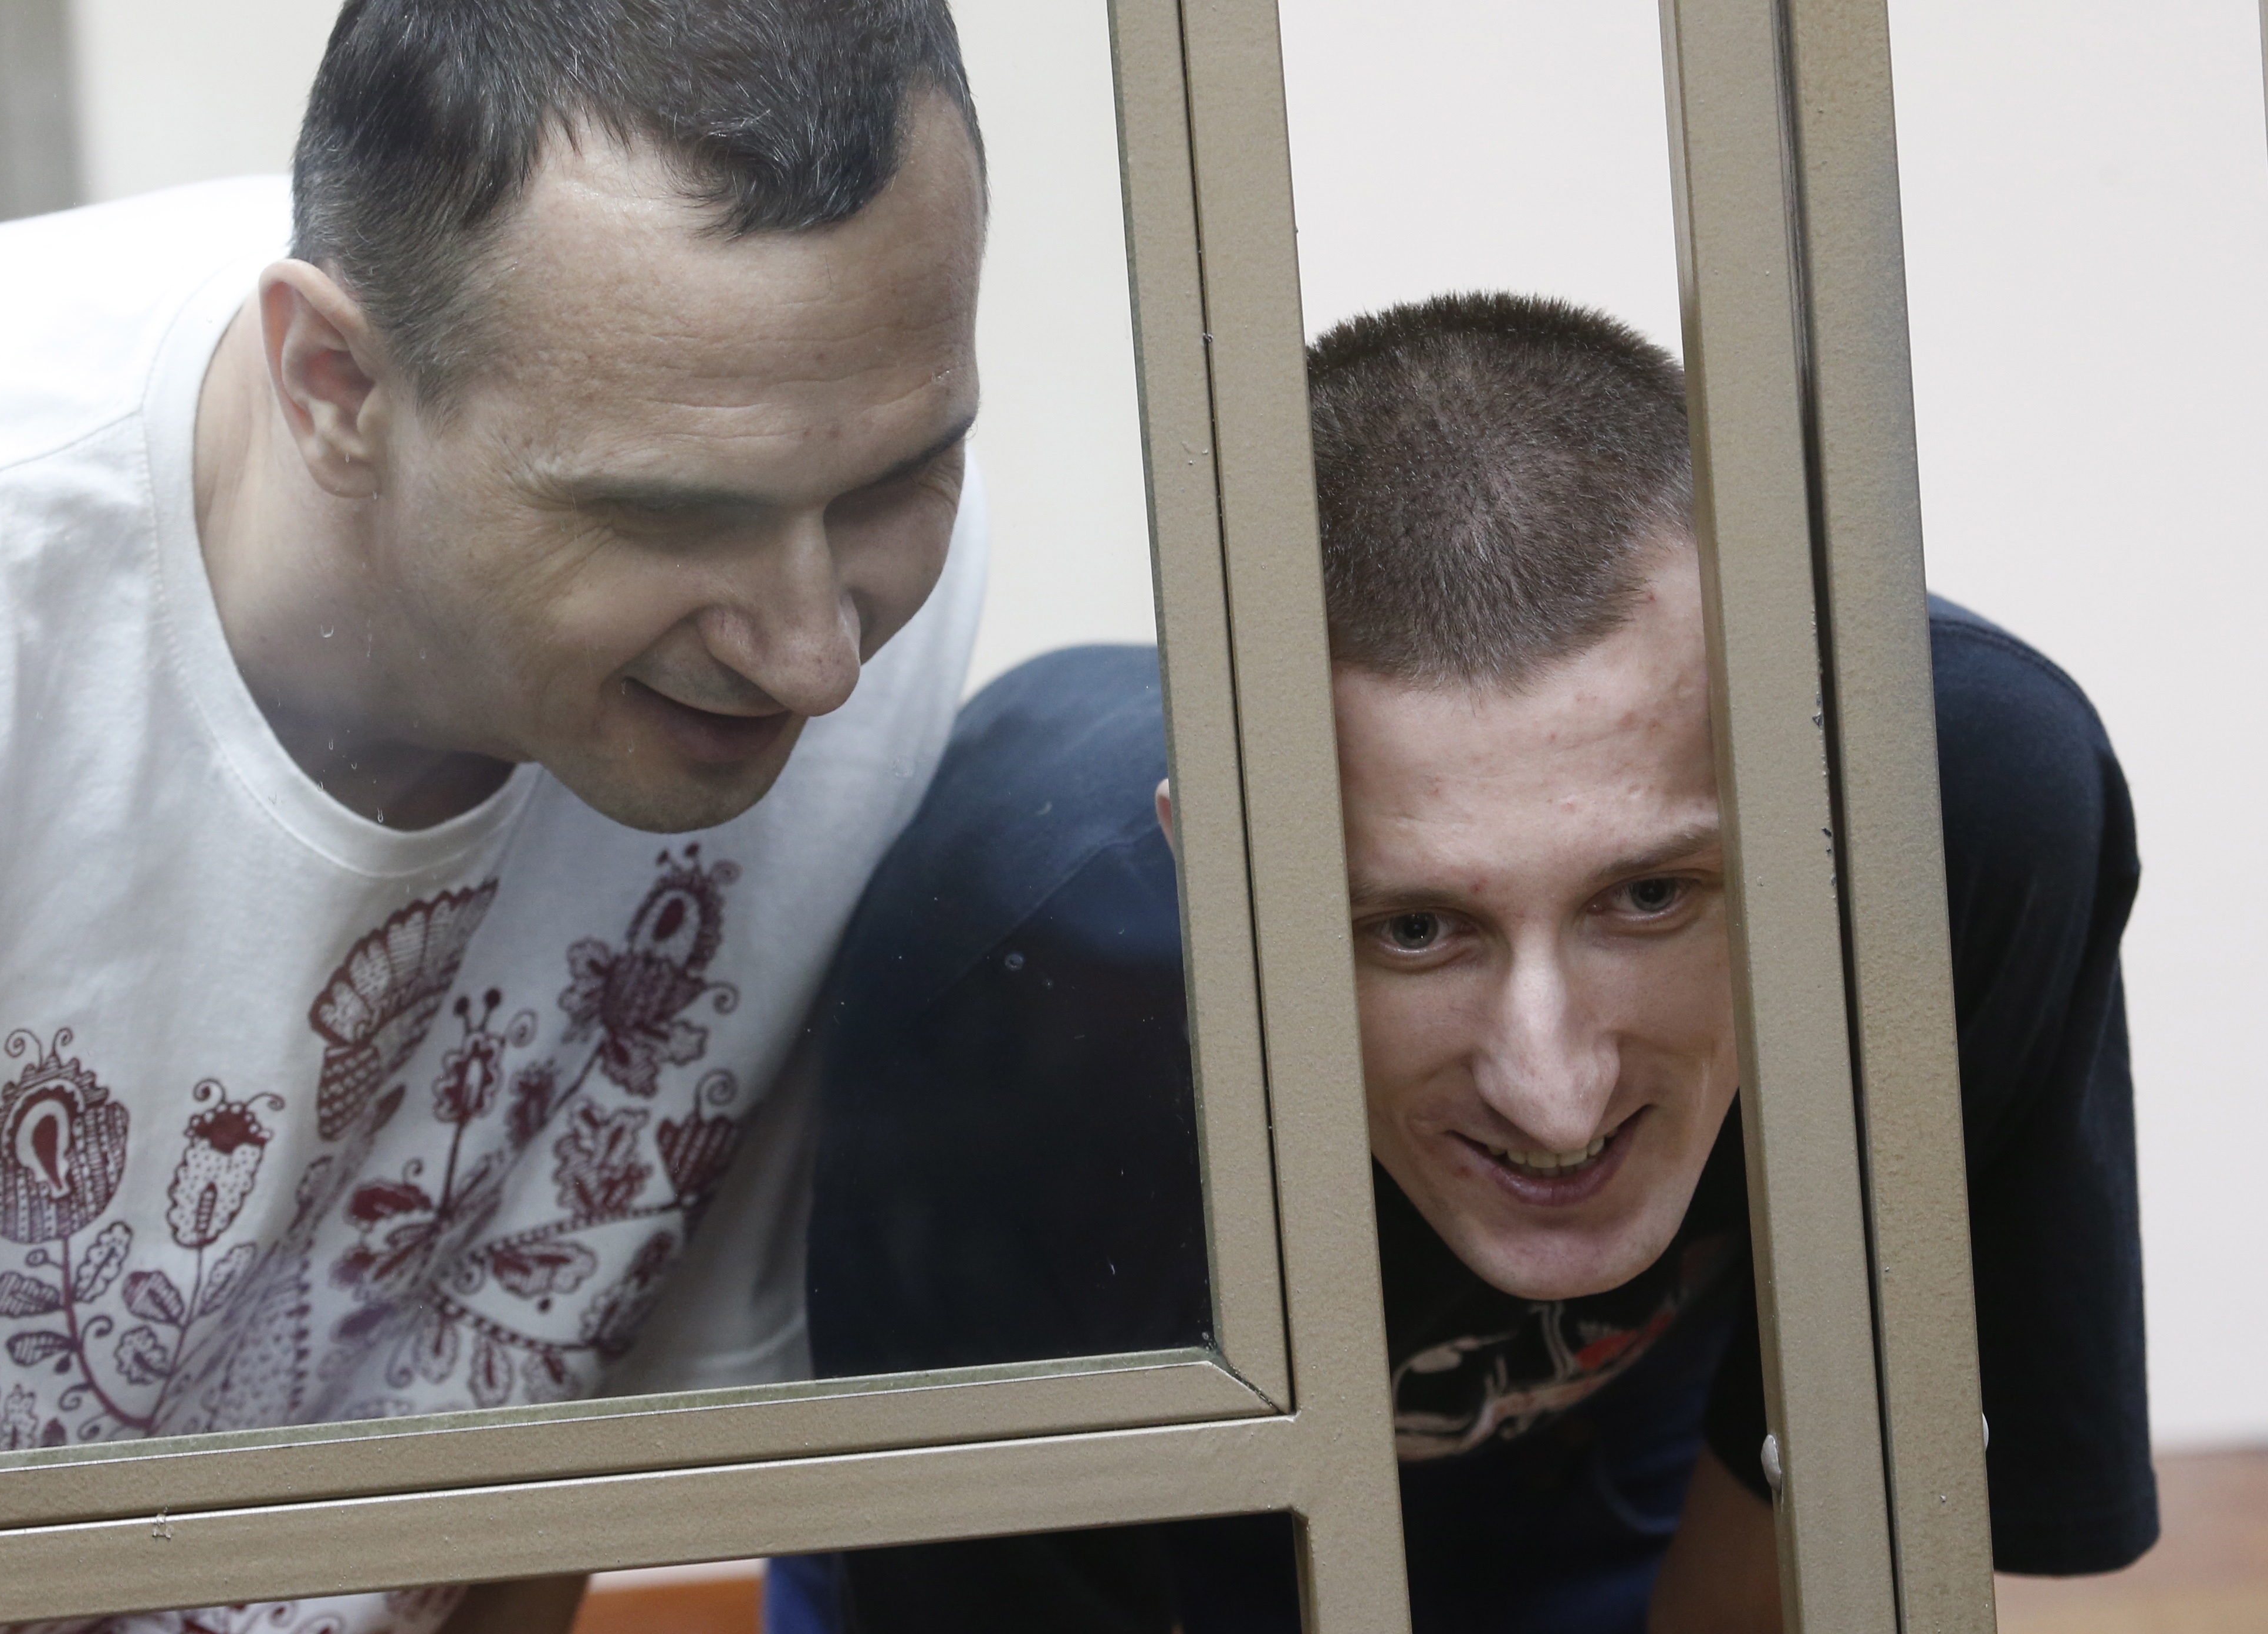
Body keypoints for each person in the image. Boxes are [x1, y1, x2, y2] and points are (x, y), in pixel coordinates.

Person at [0, 2, 986, 1629]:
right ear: (334, 384)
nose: (816, 658)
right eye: (669, 516)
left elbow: (555, 1421)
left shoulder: (821, 528)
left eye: (899, 479)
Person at [793, 293, 2154, 1632]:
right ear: (1212, 869)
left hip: (1610, 1463)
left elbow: (1816, 1479)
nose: (1557, 1099)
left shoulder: (1948, 809)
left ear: (1811, 806)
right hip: (1132, 1510)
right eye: (1415, 928)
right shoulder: (1009, 1027)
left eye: (1650, 894)